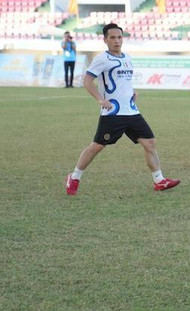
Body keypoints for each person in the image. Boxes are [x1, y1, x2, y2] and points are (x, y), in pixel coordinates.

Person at [65, 24, 180, 195]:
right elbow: (87, 81)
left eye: (119, 37)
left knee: (150, 143)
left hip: (132, 111)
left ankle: (159, 180)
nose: (117, 41)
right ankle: (74, 177)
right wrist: (100, 99)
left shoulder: (127, 58)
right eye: (112, 37)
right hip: (113, 112)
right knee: (97, 146)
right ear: (105, 40)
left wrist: (132, 91)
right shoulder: (102, 59)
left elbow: (124, 82)